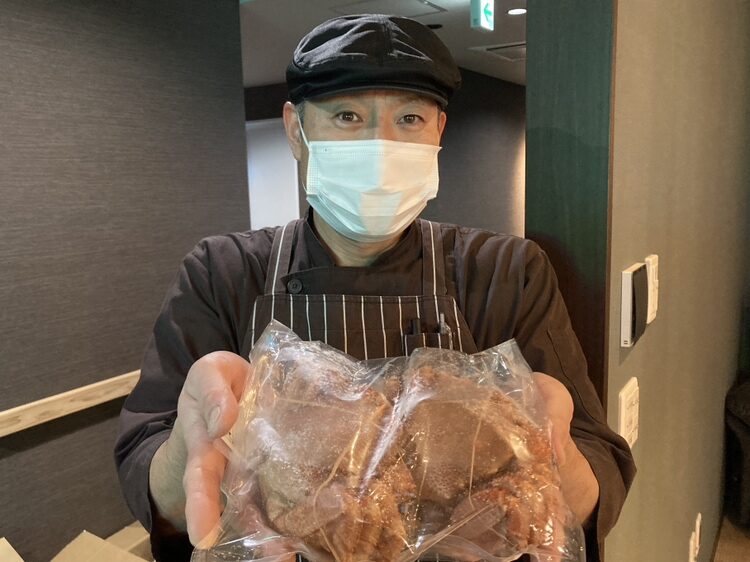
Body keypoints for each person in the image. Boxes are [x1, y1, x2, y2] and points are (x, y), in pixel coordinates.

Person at [115, 14, 635, 562]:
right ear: (295, 130)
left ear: (438, 131)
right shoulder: (222, 272)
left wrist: (550, 453)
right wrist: (190, 443)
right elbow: (151, 474)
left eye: (409, 118)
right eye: (347, 116)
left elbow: (595, 470)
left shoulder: (506, 270)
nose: (381, 148)